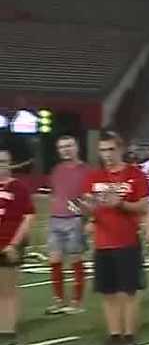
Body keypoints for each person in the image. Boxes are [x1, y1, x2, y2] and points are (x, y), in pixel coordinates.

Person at [85, 132, 149, 345]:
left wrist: (121, 205)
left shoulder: (135, 175)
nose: (107, 155)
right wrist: (86, 214)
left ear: (120, 149)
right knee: (108, 292)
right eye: (103, 150)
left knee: (128, 292)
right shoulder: (95, 177)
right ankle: (114, 336)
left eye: (111, 150)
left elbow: (143, 206)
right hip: (102, 243)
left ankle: (129, 336)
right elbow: (85, 206)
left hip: (127, 241)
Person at [45, 135, 90, 315]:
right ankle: (58, 301)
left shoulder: (86, 170)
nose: (65, 149)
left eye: (69, 146)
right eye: (62, 147)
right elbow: (55, 193)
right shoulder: (56, 170)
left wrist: (83, 216)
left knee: (75, 260)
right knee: (54, 260)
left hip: (75, 219)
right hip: (56, 219)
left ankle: (76, 302)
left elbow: (89, 197)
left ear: (76, 147)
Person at [0, 150, 34, 344]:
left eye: (3, 161)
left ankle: (7, 330)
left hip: (10, 243)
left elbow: (28, 216)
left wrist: (14, 244)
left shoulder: (18, 187)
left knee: (8, 289)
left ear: (10, 163)